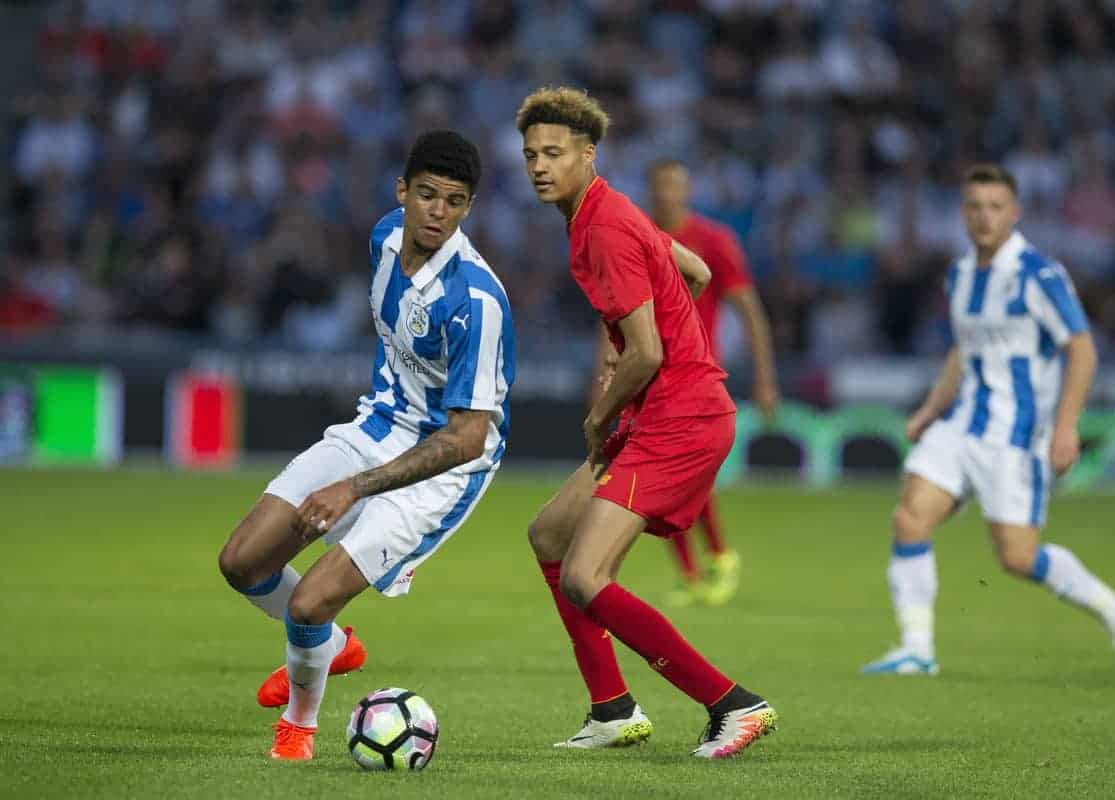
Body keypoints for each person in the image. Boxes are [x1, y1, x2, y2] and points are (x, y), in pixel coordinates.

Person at [217, 130, 515, 760]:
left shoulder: (477, 301)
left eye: (455, 201)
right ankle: (328, 648)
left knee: (310, 599)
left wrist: (351, 487)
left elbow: (467, 437)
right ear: (402, 192)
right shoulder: (383, 237)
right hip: (378, 424)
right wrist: (355, 464)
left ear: (469, 209)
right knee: (242, 561)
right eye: (428, 194)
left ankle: (299, 725)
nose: (438, 211)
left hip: (446, 465)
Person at [517, 86, 777, 759]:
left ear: (587, 154)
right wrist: (633, 343)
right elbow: (692, 271)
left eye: (554, 153)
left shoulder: (602, 227)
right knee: (549, 534)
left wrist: (600, 411)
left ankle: (733, 704)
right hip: (671, 408)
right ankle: (611, 708)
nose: (539, 166)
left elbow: (651, 353)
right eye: (530, 155)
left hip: (678, 417)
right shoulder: (610, 211)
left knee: (585, 577)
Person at [861, 164, 1115, 679]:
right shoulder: (960, 273)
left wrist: (1066, 426)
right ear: (962, 213)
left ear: (1015, 213)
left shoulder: (1038, 274)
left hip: (1016, 436)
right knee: (910, 517)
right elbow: (961, 350)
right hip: (962, 423)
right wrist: (931, 410)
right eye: (974, 206)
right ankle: (917, 648)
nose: (984, 217)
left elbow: (1081, 349)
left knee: (1017, 557)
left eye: (995, 207)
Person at [643, 158, 779, 607]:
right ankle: (692, 572)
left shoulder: (714, 241)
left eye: (676, 185)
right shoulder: (639, 237)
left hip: (696, 376)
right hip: (645, 373)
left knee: (681, 475)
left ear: (688, 190)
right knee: (655, 481)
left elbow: (750, 313)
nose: (668, 194)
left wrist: (764, 378)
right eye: (661, 185)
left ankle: (718, 555)